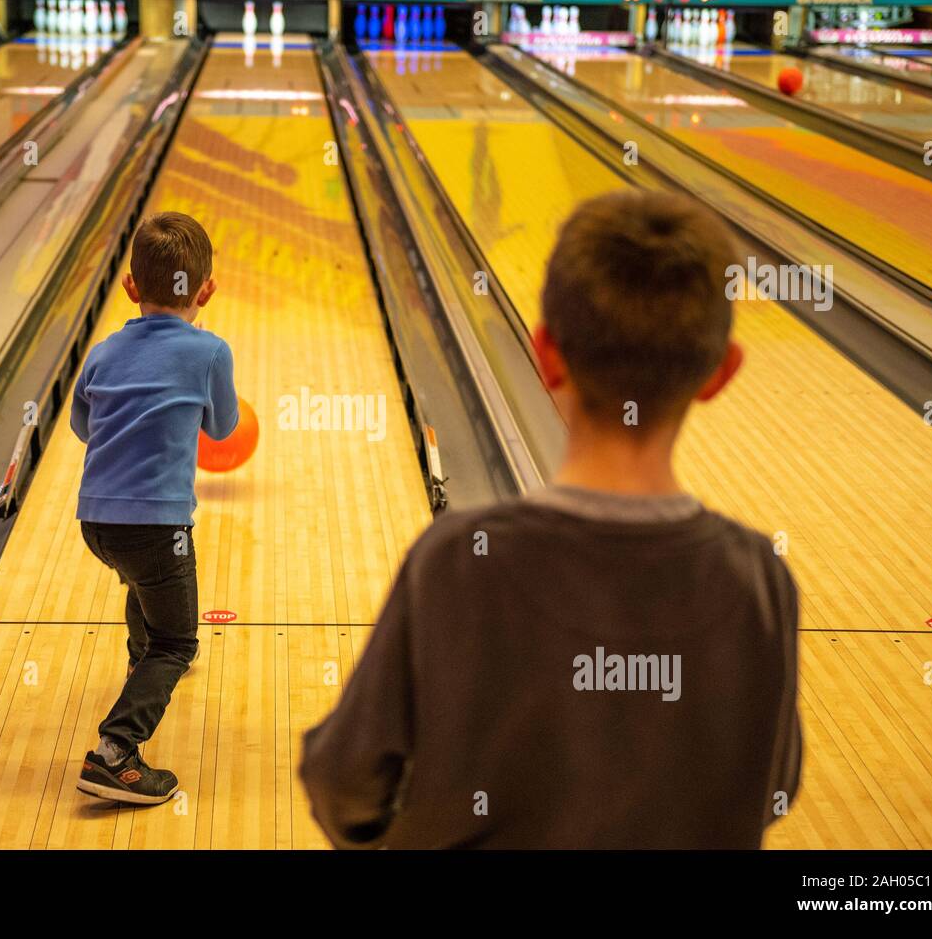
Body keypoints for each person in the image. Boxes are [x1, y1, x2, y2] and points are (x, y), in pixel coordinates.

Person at [300, 190, 802, 848]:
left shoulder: (457, 560)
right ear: (720, 372)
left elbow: (344, 780)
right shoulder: (758, 580)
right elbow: (773, 788)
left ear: (545, 353)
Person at [72, 211, 238, 805]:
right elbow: (222, 428)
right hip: (160, 525)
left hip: (97, 522)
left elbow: (82, 426)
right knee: (178, 641)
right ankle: (116, 754)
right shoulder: (210, 352)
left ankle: (142, 664)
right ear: (206, 290)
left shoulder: (102, 351)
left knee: (141, 582)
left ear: (131, 288)